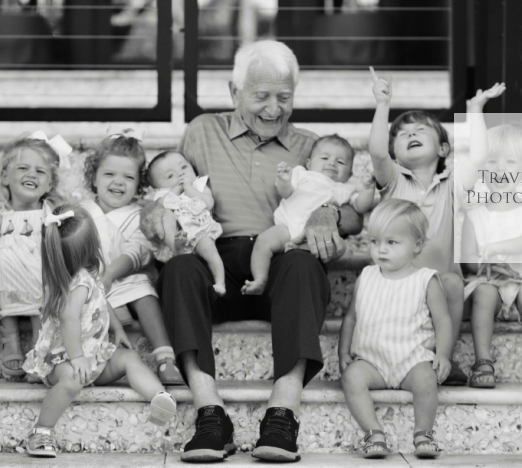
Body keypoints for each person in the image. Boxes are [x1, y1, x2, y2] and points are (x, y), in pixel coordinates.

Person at [140, 40, 364, 463]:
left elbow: (355, 214)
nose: (273, 109)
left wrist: (330, 213)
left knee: (303, 265)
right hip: (216, 265)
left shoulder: (312, 145)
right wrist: (154, 211)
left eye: (284, 97)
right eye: (261, 96)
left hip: (280, 265)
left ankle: (282, 413)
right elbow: (170, 189)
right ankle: (210, 414)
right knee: (180, 270)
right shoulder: (203, 131)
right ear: (234, 92)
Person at [368, 69, 506, 386]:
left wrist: (475, 110)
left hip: (441, 288)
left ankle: (445, 357)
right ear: (394, 154)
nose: (410, 134)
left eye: (420, 130)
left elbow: (480, 157)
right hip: (395, 284)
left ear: (443, 149)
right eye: (402, 135)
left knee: (454, 282)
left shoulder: (451, 185)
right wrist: (382, 104)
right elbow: (376, 151)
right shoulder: (393, 181)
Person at [22, 204, 177, 457]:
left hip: (92, 357)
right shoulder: (76, 284)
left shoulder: (87, 275)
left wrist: (117, 329)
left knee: (130, 358)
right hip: (63, 360)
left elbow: (102, 301)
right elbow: (69, 319)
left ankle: (159, 397)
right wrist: (77, 358)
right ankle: (41, 431)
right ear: (91, 246)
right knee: (71, 380)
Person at [339, 199, 452, 459]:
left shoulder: (425, 279)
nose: (381, 249)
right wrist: (343, 352)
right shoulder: (366, 277)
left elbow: (443, 320)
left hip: (412, 361)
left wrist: (443, 354)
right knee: (351, 378)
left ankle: (423, 434)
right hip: (372, 362)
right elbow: (351, 318)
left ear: (417, 245)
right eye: (375, 241)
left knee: (426, 379)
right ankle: (374, 433)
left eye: (391, 242)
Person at [81, 133, 183, 385]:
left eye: (128, 177)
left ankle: (165, 357)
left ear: (139, 186)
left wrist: (110, 274)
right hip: (90, 282)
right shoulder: (81, 212)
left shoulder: (140, 215)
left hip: (123, 279)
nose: (118, 182)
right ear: (93, 178)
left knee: (142, 288)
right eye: (109, 174)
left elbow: (138, 251)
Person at [461, 124, 522, 389]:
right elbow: (468, 257)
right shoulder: (475, 213)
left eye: (510, 161)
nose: (500, 168)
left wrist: (496, 247)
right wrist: (487, 264)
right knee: (483, 293)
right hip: (490, 282)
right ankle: (482, 362)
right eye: (491, 161)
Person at [0, 132, 69, 378]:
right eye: (23, 168)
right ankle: (10, 339)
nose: (31, 174)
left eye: (40, 171)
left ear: (49, 185)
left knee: (43, 268)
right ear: (5, 177)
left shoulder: (51, 214)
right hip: (4, 288)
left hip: (40, 289)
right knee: (3, 259)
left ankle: (40, 347)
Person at [246, 134, 376, 295]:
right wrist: (284, 180)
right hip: (287, 227)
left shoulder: (343, 188)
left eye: (341, 162)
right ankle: (260, 279)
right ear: (309, 163)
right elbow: (285, 192)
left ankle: (300, 247)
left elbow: (360, 206)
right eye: (325, 158)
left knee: (341, 247)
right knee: (263, 241)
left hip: (317, 237)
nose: (332, 163)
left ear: (349, 174)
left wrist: (368, 190)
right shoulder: (301, 174)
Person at [145, 150, 226, 296]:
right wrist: (177, 189)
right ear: (158, 187)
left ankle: (220, 282)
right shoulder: (162, 194)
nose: (180, 174)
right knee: (166, 216)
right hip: (178, 235)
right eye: (170, 176)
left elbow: (208, 204)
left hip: (200, 232)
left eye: (184, 167)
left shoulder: (199, 185)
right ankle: (177, 248)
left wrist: (189, 188)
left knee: (210, 249)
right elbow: (162, 206)